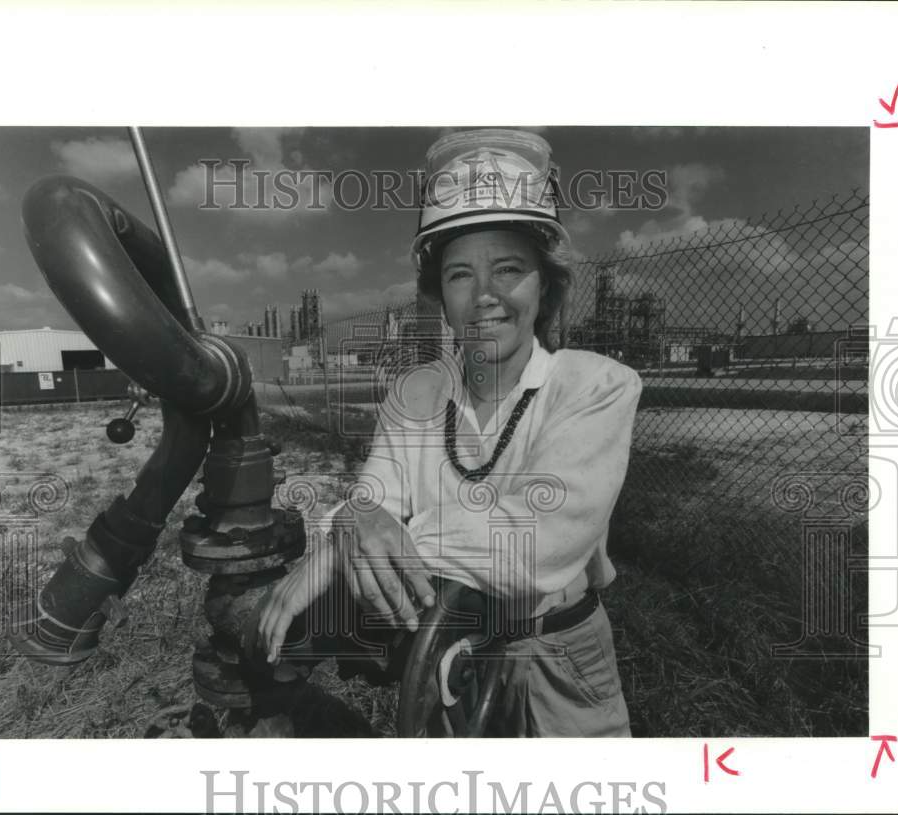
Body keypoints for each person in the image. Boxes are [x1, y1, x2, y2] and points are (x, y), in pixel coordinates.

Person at [255, 129, 641, 737]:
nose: (485, 296)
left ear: (545, 281)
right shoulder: (417, 393)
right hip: (449, 652)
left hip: (562, 658)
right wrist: (359, 521)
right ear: (439, 294)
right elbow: (373, 496)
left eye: (508, 268)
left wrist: (340, 548)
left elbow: (534, 547)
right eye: (461, 274)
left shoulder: (597, 387)